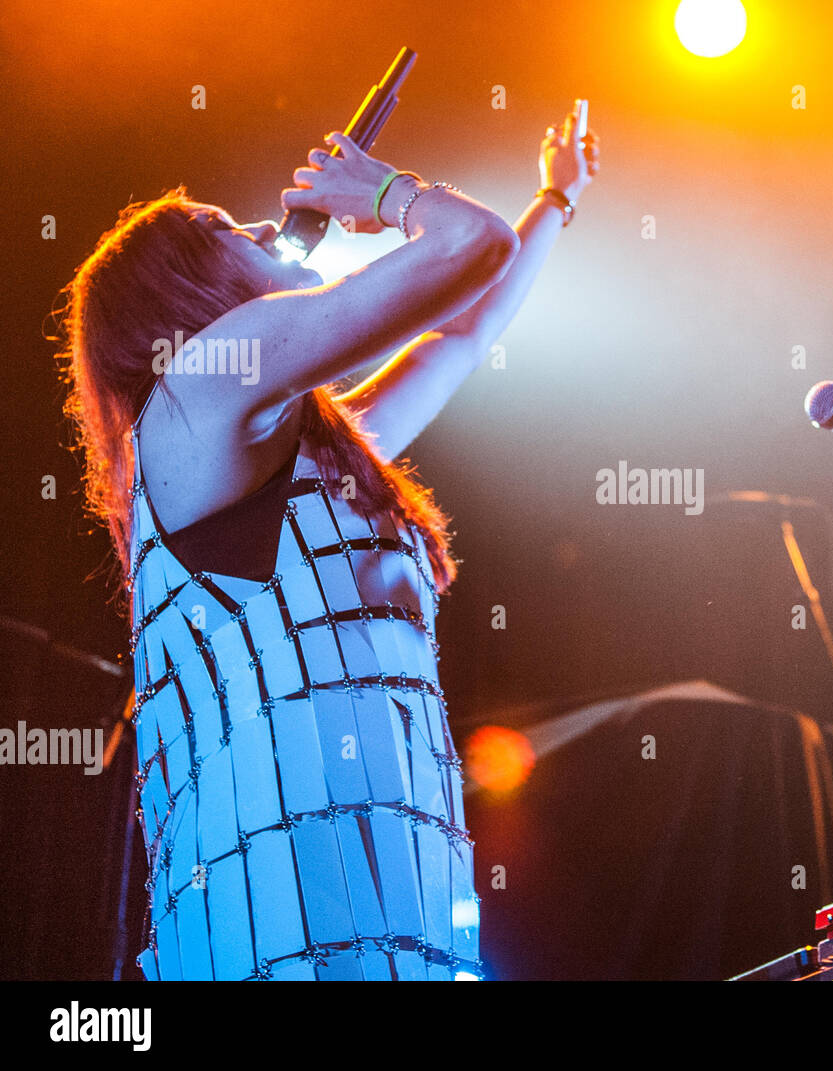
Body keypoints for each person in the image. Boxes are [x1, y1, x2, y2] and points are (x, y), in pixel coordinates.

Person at [57, 104, 599, 979]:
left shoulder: (307, 450)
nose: (267, 223)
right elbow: (469, 246)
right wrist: (378, 193)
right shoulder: (199, 384)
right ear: (179, 289)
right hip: (274, 922)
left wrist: (556, 197)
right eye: (225, 226)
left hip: (382, 903)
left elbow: (465, 330)